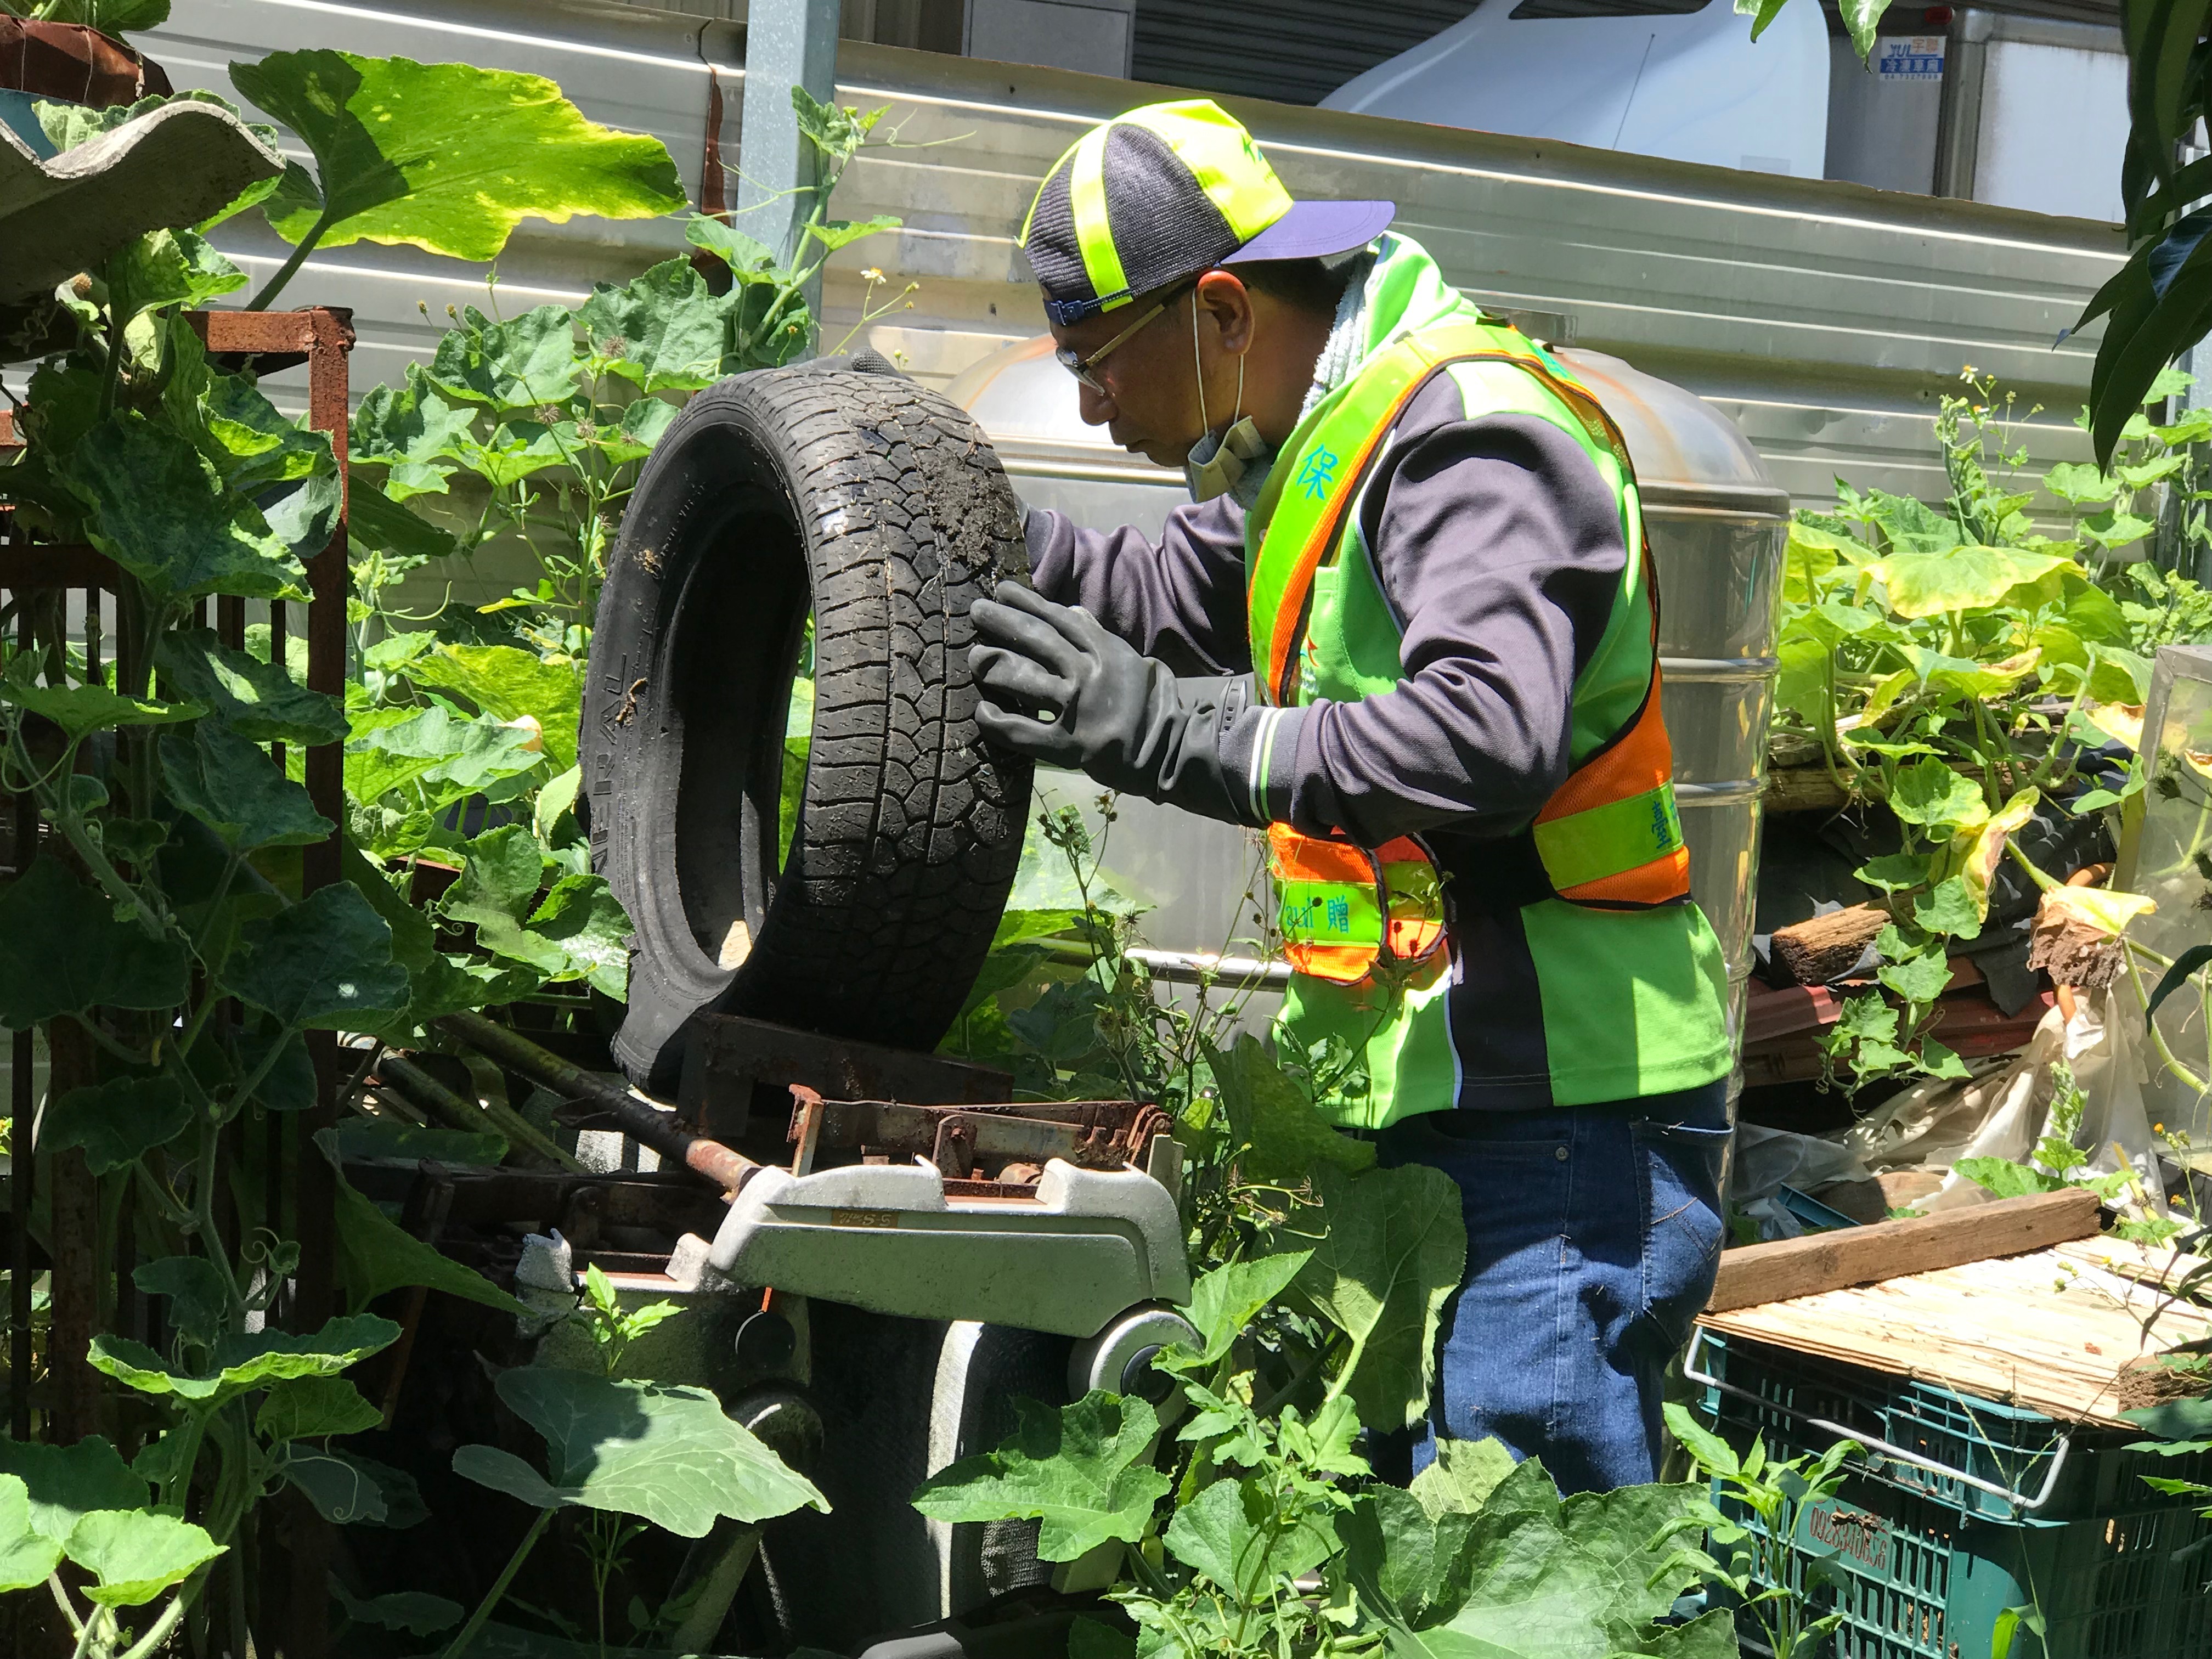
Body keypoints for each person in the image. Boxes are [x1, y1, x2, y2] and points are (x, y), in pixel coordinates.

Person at [962, 99, 1736, 1495]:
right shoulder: (1321, 449)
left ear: (1218, 311)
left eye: (1096, 361)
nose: (1087, 405)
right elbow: (1151, 593)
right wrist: (931, 511)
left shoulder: (1470, 438)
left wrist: (1166, 735)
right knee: (1418, 1549)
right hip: (1452, 1102)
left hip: (1561, 1111)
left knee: (1524, 1571)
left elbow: (1485, 737)